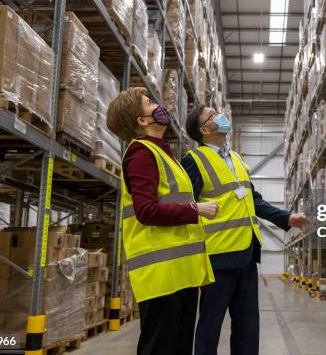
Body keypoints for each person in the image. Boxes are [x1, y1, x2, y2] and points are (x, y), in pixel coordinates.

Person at [182, 105, 309, 355]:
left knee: (248, 328)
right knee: (210, 326)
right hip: (216, 257)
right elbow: (186, 207)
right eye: (212, 115)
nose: (220, 115)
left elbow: (254, 199)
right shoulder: (193, 161)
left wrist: (287, 218)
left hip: (247, 255)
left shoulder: (237, 158)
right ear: (204, 129)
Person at [106, 88, 218, 355]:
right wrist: (196, 209)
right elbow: (146, 211)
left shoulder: (164, 154)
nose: (158, 105)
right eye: (149, 103)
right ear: (142, 121)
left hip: (181, 273)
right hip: (161, 275)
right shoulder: (141, 154)